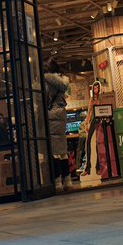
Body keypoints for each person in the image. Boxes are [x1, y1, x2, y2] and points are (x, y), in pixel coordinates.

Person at [44, 57, 72, 190]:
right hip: (61, 113)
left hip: (51, 113)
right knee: (62, 150)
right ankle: (68, 180)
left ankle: (57, 182)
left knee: (54, 151)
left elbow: (44, 98)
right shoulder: (63, 81)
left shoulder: (46, 81)